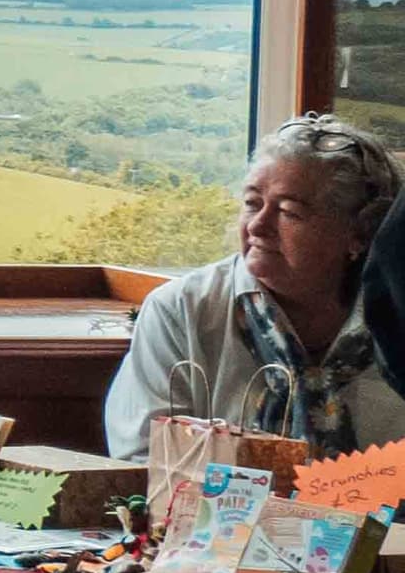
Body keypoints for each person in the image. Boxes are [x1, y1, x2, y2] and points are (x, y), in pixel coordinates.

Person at [103, 113, 405, 461]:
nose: (258, 226)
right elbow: (143, 458)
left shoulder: (397, 315)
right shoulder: (183, 309)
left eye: (289, 212)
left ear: (360, 232)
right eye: (252, 204)